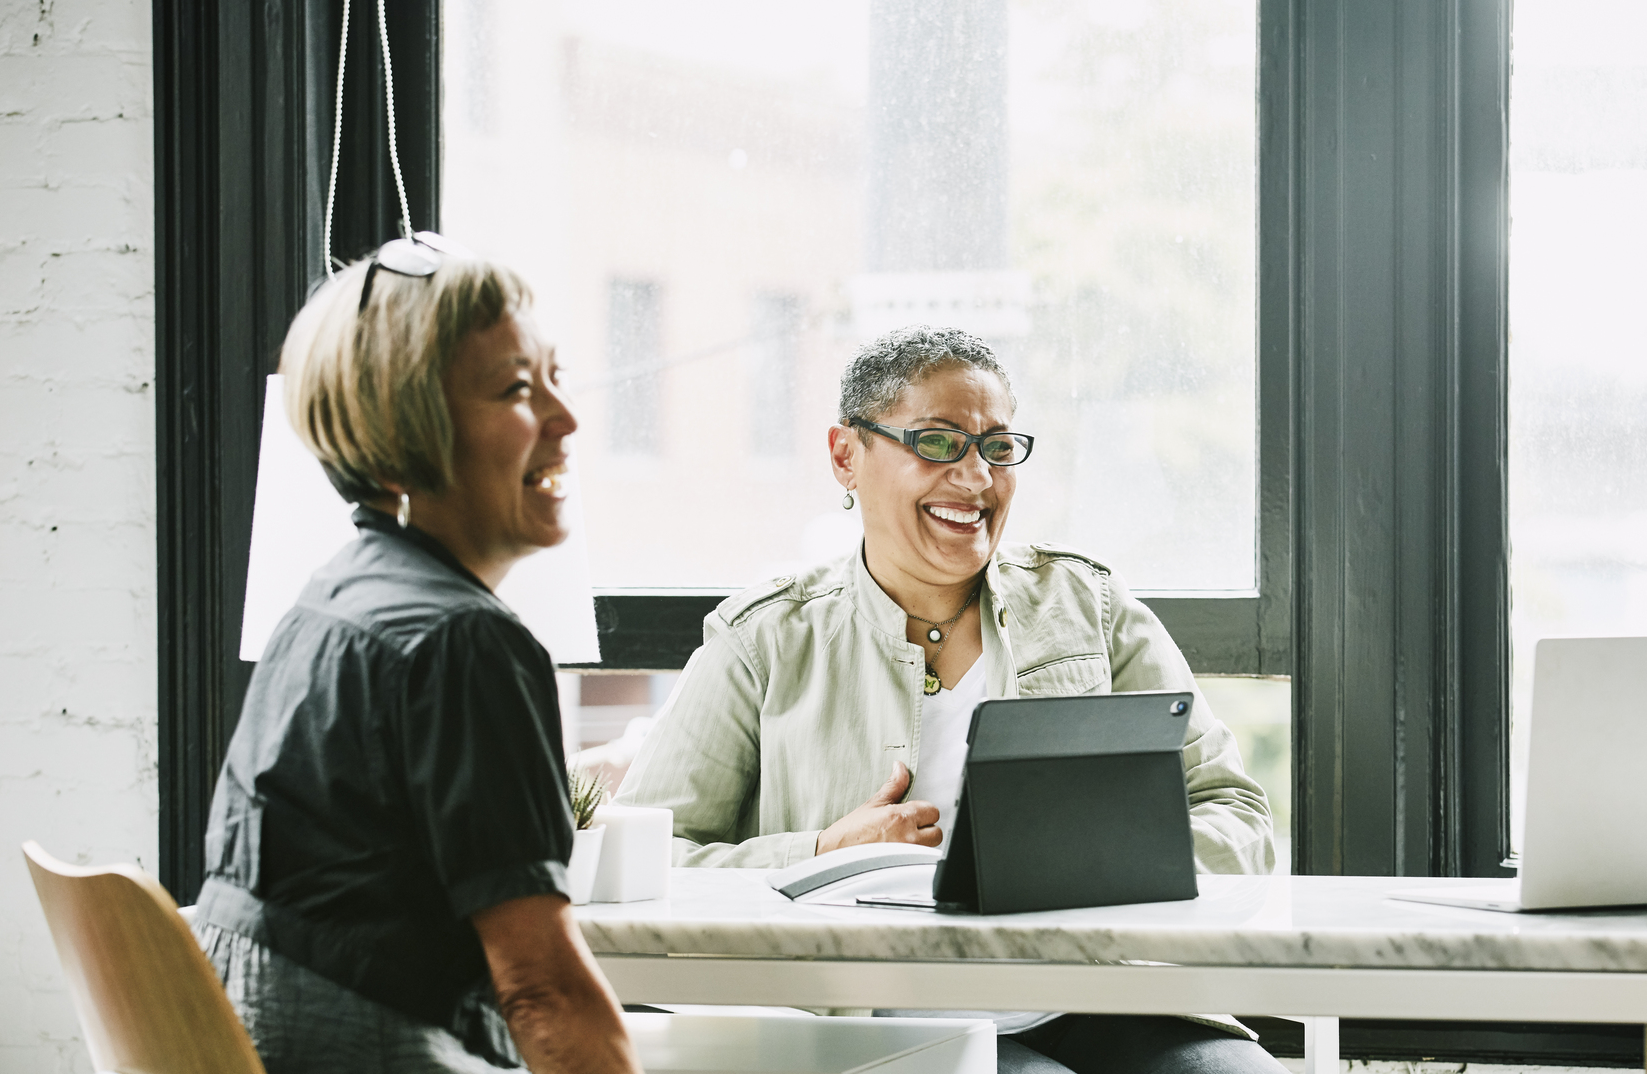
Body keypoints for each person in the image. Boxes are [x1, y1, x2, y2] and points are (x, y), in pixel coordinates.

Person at [617, 324, 1278, 1074]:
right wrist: (821, 854)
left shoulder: (1087, 604)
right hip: (873, 1014)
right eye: (937, 443)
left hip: (1106, 995)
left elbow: (1236, 813)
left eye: (997, 447)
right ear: (846, 455)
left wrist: (1105, 864)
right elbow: (655, 866)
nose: (975, 479)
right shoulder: (761, 639)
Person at [194, 239, 641, 1074]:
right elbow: (541, 995)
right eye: (516, 388)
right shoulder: (465, 643)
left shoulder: (329, 599)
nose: (567, 417)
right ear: (409, 429)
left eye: (556, 376)